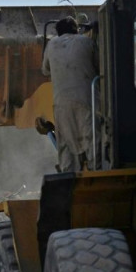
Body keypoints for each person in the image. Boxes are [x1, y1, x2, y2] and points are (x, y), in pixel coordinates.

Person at [41, 16, 99, 172]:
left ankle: (68, 176)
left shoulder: (51, 45)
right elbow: (100, 66)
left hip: (61, 103)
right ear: (76, 29)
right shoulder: (87, 42)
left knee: (65, 142)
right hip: (87, 99)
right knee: (91, 138)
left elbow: (45, 70)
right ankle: (96, 172)